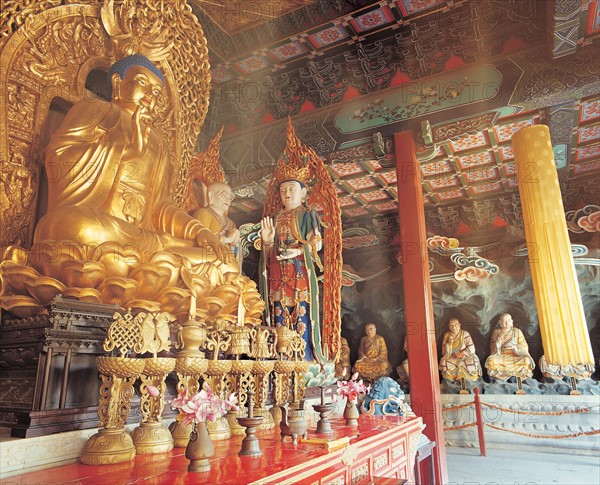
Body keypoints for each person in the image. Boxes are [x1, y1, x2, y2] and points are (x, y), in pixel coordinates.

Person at [33, 54, 235, 281]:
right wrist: (123, 152)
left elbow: (161, 207)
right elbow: (57, 158)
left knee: (224, 261)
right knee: (71, 226)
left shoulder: (158, 142)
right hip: (97, 228)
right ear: (117, 84)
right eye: (142, 82)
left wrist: (200, 231)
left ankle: (149, 258)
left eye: (157, 92)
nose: (150, 94)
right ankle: (154, 264)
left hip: (140, 239)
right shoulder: (96, 109)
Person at [260, 173, 323, 362]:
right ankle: (282, 358)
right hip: (278, 273)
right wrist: (267, 241)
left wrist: (297, 252)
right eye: (282, 190)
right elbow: (268, 250)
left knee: (301, 314)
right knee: (279, 315)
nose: (286, 193)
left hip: (299, 272)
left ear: (303, 193)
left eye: (292, 189)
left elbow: (317, 243)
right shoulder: (274, 218)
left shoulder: (308, 214)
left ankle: (303, 357)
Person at [191, 181, 241, 267]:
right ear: (211, 196)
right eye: (223, 195)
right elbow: (200, 241)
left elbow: (235, 255)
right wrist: (226, 240)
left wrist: (234, 244)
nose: (228, 200)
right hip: (208, 257)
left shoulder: (231, 224)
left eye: (230, 197)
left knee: (235, 267)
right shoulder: (203, 213)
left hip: (226, 261)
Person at [485, 313, 535, 380]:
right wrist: (498, 344)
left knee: (526, 360)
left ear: (512, 321)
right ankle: (501, 376)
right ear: (500, 322)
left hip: (515, 355)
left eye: (508, 321)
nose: (507, 323)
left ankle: (519, 375)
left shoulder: (517, 331)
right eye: (504, 321)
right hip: (502, 356)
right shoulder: (496, 332)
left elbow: (524, 346)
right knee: (491, 361)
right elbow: (492, 348)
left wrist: (515, 347)